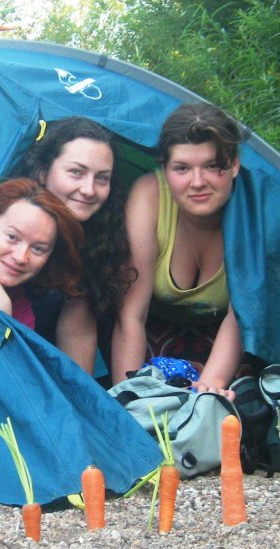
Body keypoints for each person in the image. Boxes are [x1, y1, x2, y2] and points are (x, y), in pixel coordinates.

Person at [111, 102, 247, 400]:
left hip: (229, 342)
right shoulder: (150, 195)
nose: (198, 182)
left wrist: (209, 391)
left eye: (213, 166)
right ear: (164, 168)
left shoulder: (253, 211)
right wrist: (130, 399)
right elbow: (131, 314)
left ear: (234, 164)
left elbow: (242, 315)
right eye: (182, 168)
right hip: (153, 336)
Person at [20, 117, 135, 375]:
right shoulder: (6, 227)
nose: (88, 190)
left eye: (102, 178)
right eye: (76, 172)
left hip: (42, 369)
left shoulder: (94, 243)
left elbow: (76, 337)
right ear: (42, 171)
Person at [0, 177, 83, 329]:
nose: (21, 257)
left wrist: (3, 311)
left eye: (38, 248)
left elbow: (6, 347)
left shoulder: (22, 312)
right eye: (12, 237)